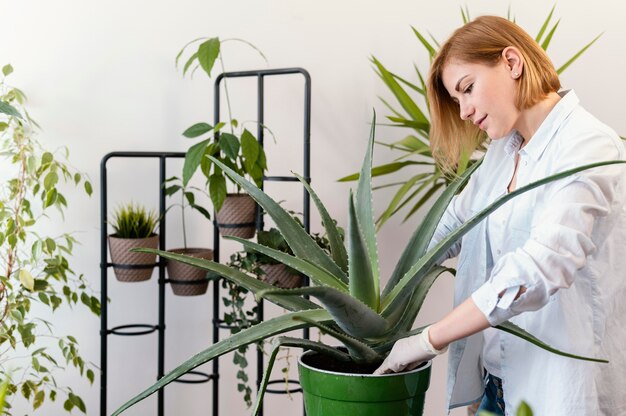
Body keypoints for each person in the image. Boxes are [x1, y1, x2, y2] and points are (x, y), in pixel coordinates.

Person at [374, 15, 626, 416]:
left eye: (467, 89)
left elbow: (542, 267)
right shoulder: (505, 150)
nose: (464, 111)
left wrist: (428, 340)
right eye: (457, 100)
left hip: (559, 388)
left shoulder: (589, 145)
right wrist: (375, 296)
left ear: (512, 62)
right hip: (498, 381)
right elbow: (454, 224)